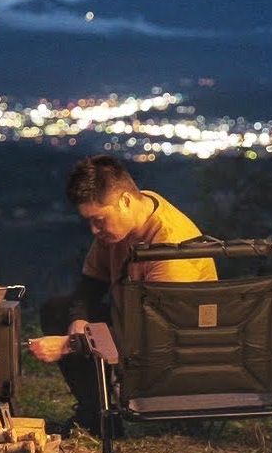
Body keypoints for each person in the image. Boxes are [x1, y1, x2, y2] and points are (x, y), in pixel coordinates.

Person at [28, 154, 217, 435]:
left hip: (177, 346)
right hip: (137, 323)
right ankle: (98, 417)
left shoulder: (170, 244)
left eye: (99, 220)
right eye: (89, 221)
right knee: (58, 310)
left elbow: (156, 335)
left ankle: (120, 416)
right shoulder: (124, 222)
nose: (94, 230)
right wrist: (79, 319)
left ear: (126, 201)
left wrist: (71, 345)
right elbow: (90, 284)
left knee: (80, 337)